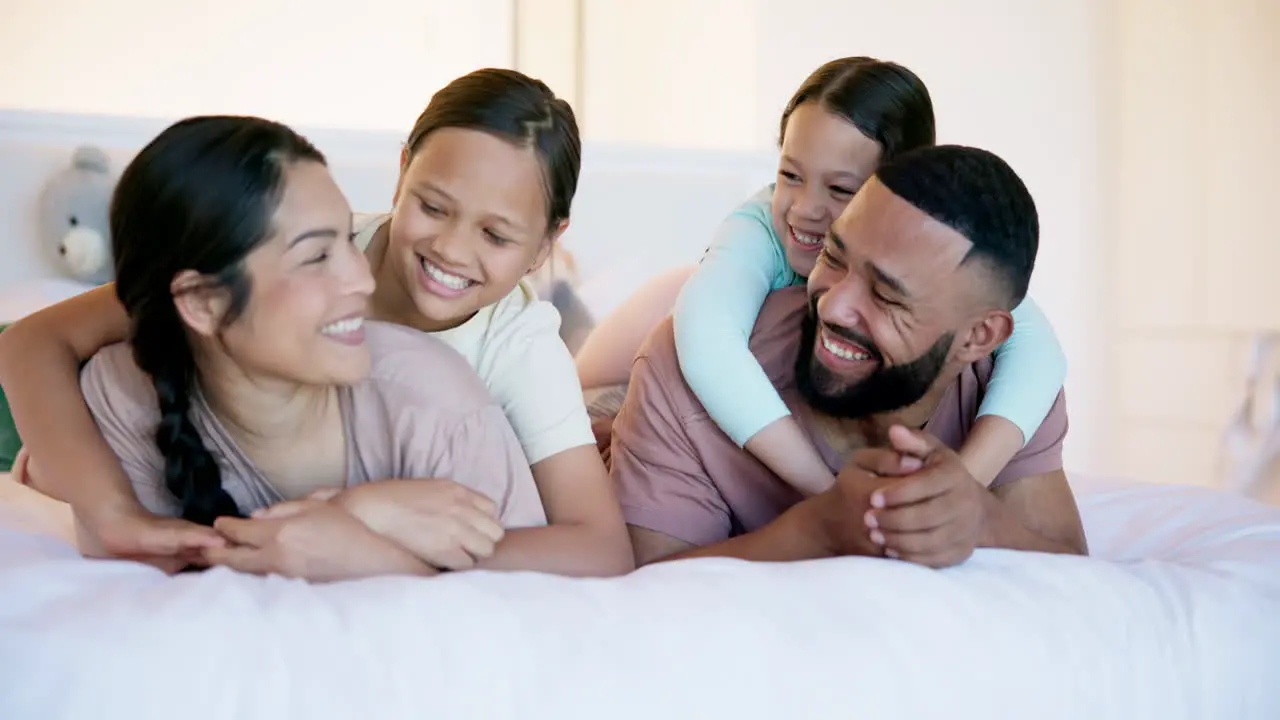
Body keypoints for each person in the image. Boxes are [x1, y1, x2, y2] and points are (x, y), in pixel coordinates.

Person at [0, 69, 633, 577]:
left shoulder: (509, 357)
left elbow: (599, 548)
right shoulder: (301, 251)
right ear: (403, 170)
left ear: (548, 241)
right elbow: (33, 339)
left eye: (496, 235)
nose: (451, 249)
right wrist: (107, 507)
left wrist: (373, 537)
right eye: (432, 206)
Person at [576, 57, 1067, 495]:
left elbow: (1039, 354)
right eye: (791, 175)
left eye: (840, 188)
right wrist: (828, 494)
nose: (806, 210)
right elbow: (706, 344)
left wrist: (962, 485)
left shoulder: (946, 272)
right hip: (610, 386)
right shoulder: (756, 228)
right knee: (669, 297)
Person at [607, 144, 1088, 568]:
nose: (832, 305)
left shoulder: (1009, 387)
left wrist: (984, 520)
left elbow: (1078, 579)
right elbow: (645, 588)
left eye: (886, 295)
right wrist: (817, 531)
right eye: (833, 258)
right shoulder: (684, 366)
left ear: (979, 337)